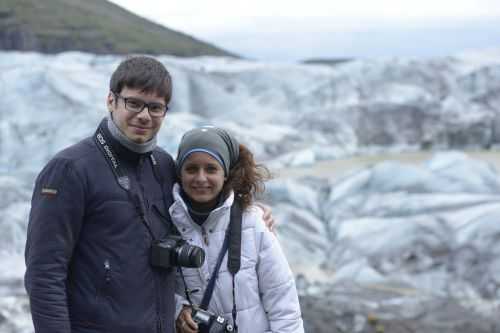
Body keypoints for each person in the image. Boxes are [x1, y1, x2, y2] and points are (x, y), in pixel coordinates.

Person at [24, 56, 178, 333]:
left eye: (156, 107)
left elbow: (204, 209)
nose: (144, 115)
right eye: (134, 103)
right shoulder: (70, 169)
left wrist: (250, 210)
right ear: (111, 100)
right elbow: (44, 273)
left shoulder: (164, 166)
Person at [171, 126, 304, 333]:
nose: (201, 178)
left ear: (226, 174)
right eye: (191, 169)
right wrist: (177, 309)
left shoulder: (252, 223)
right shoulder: (166, 223)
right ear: (180, 174)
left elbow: (283, 303)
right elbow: (147, 286)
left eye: (211, 169)